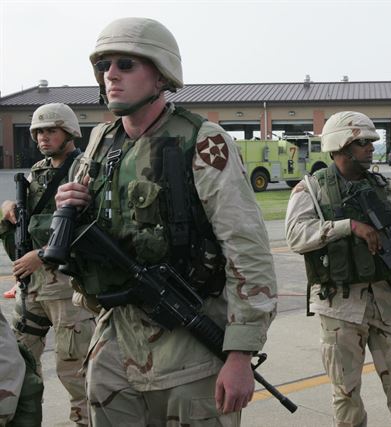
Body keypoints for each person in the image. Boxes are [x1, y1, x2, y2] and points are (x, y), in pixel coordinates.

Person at [53, 17, 277, 426]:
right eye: (104, 66)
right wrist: (70, 200)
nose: (111, 76)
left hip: (188, 349)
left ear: (160, 75)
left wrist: (241, 353)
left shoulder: (202, 140)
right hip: (115, 347)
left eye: (125, 64)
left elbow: (246, 246)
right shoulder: (102, 141)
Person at [285, 111, 391, 427]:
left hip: (388, 301)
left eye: (370, 142)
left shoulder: (387, 188)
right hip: (340, 306)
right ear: (341, 145)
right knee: (346, 393)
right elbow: (296, 236)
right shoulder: (311, 189)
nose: (371, 148)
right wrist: (348, 227)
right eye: (363, 142)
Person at [0, 103, 95, 426]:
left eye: (50, 130)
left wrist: (40, 257)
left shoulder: (84, 169)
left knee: (75, 370)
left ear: (68, 132)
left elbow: (90, 228)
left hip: (68, 290)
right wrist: (8, 209)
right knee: (19, 363)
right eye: (38, 132)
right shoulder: (37, 171)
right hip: (32, 291)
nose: (43, 137)